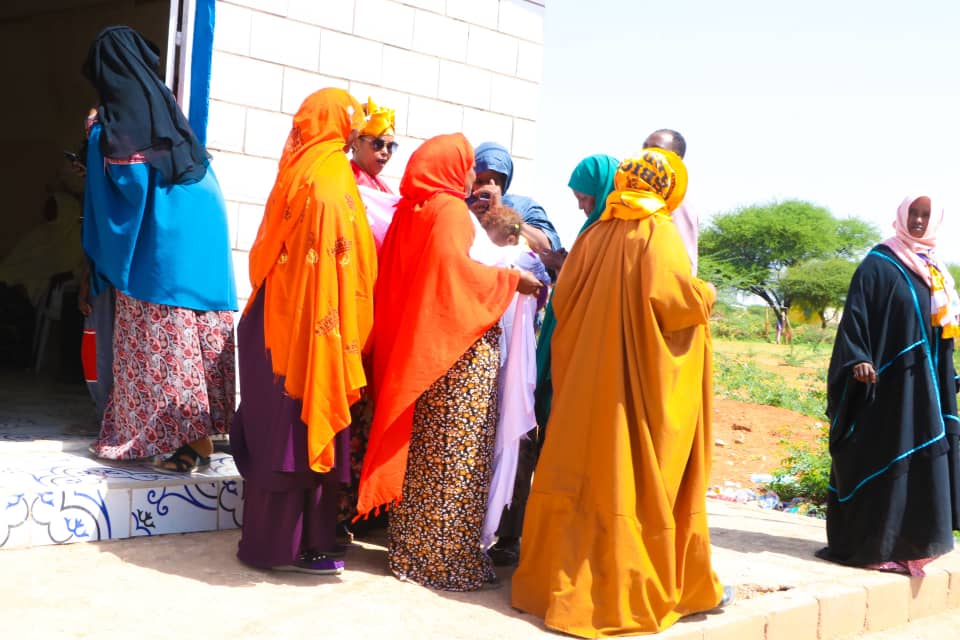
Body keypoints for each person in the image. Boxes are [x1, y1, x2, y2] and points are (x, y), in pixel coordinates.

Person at [512, 149, 731, 636]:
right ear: (667, 188)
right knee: (626, 478)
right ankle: (623, 589)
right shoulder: (658, 232)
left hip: (586, 387)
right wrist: (707, 294)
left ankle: (549, 582)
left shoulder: (597, 231)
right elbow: (675, 305)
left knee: (579, 470)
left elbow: (564, 299)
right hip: (629, 394)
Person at [357, 133, 543, 591]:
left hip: (424, 352)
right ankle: (441, 560)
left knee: (426, 455)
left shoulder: (411, 209)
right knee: (456, 457)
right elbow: (453, 273)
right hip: (455, 354)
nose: (471, 177)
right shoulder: (448, 212)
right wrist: (511, 279)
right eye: (466, 167)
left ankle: (412, 549)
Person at [229, 88, 377, 575]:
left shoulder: (301, 171)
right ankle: (302, 547)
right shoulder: (332, 178)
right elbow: (352, 269)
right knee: (297, 434)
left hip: (275, 325)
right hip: (309, 335)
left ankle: (273, 546)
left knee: (282, 435)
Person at [81, 26, 237, 470]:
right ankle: (198, 436)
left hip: (163, 246)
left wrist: (93, 133)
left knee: (157, 333)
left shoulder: (115, 124)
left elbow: (122, 189)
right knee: (197, 335)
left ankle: (171, 440)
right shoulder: (170, 115)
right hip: (205, 241)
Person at [817, 194, 960, 577]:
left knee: (920, 461)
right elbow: (856, 317)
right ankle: (867, 545)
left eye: (925, 215)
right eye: (913, 212)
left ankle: (907, 546)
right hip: (885, 387)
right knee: (879, 456)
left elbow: (939, 331)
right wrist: (857, 358)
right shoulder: (879, 263)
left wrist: (948, 376)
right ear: (901, 214)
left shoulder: (933, 270)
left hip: (923, 387)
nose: (917, 220)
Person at [488, 154, 619, 568]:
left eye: (584, 198)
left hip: (581, 357)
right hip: (553, 347)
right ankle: (518, 534)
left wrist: (562, 266)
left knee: (551, 444)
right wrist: (564, 267)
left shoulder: (614, 232)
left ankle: (539, 537)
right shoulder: (593, 228)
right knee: (528, 438)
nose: (580, 206)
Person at [469, 141, 565, 270]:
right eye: (479, 181)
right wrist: (469, 217)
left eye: (494, 182)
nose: (486, 187)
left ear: (504, 183)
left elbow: (547, 249)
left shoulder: (524, 207)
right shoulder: (460, 205)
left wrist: (504, 216)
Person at [643, 128, 699, 274]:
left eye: (655, 149)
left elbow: (683, 265)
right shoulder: (639, 196)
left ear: (676, 158)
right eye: (644, 147)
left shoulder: (677, 202)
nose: (646, 154)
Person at [350, 97, 397, 193]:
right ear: (356, 143)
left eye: (390, 146)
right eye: (378, 144)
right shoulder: (347, 180)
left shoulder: (381, 185)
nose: (385, 152)